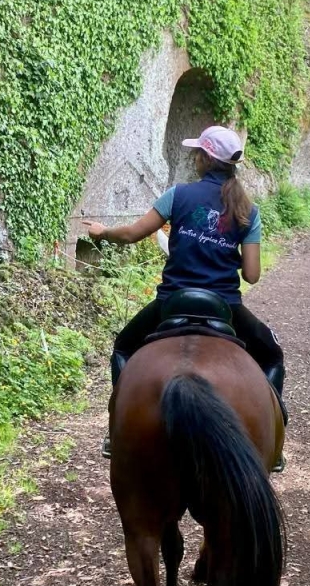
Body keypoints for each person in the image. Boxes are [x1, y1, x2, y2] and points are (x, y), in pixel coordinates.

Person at [83, 125, 287, 467]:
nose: (195, 158)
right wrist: (226, 251)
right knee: (271, 356)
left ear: (205, 158)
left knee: (123, 346)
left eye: (197, 153)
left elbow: (132, 234)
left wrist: (103, 233)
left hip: (172, 301)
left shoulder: (178, 195)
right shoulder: (248, 211)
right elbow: (252, 275)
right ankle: (274, 447)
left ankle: (115, 431)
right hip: (225, 306)